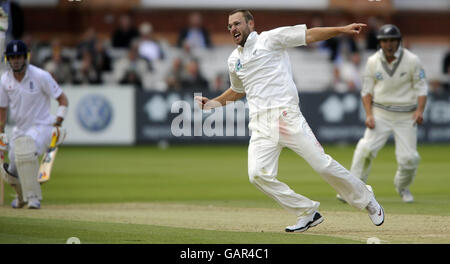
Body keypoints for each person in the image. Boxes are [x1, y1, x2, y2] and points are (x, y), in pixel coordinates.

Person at [195, 9, 384, 232]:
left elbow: (310, 35)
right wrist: (212, 104)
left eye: (237, 23)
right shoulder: (234, 59)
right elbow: (237, 91)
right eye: (230, 26)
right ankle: (306, 212)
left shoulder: (270, 39)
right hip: (259, 125)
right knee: (257, 175)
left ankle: (366, 198)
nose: (233, 29)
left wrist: (341, 30)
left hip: (286, 116)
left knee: (321, 164)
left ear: (251, 24)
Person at [342, 24, 428, 203]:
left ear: (399, 41)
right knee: (365, 148)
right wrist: (369, 115)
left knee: (409, 159)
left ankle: (402, 186)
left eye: (392, 40)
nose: (388, 44)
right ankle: (354, 189)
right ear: (380, 42)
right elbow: (366, 91)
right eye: (385, 41)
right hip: (380, 113)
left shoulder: (412, 60)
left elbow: (422, 89)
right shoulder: (373, 61)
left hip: (406, 115)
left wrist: (420, 110)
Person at [0, 40, 68, 209]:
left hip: (43, 126)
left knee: (27, 149)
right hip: (20, 129)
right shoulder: (4, 80)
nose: (16, 60)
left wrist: (58, 122)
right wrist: (0, 131)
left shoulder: (40, 76)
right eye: (12, 57)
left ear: (26, 57)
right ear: (8, 59)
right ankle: (21, 196)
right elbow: (2, 108)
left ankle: (33, 198)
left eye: (19, 56)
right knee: (12, 170)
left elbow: (62, 99)